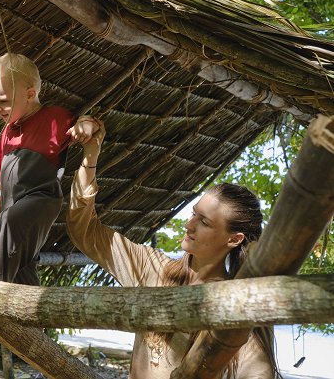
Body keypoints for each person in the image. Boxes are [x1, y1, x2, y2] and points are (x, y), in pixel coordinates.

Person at [67, 123, 283, 379]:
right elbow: (84, 231)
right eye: (194, 213)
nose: (189, 224)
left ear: (234, 239)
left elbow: (257, 371)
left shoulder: (235, 304)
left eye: (204, 221)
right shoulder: (152, 268)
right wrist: (90, 156)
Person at [0, 53, 99, 285]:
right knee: (21, 261)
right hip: (12, 208)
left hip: (41, 200)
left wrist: (86, 124)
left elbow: (84, 123)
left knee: (11, 222)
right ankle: (28, 313)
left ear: (30, 94)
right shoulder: (7, 133)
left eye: (3, 101)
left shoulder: (53, 119)